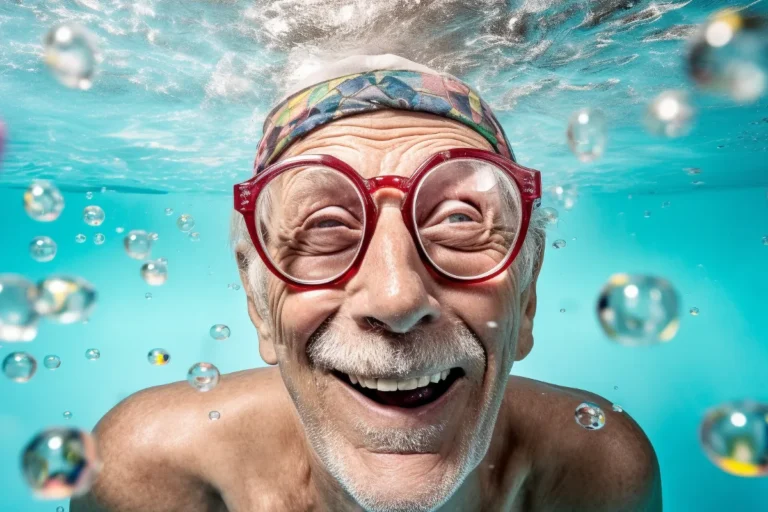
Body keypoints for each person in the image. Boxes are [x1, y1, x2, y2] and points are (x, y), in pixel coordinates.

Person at [71, 54, 661, 512]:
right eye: (325, 226)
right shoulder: (143, 470)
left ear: (527, 298)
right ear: (257, 303)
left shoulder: (599, 470)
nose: (396, 298)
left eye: (459, 220)